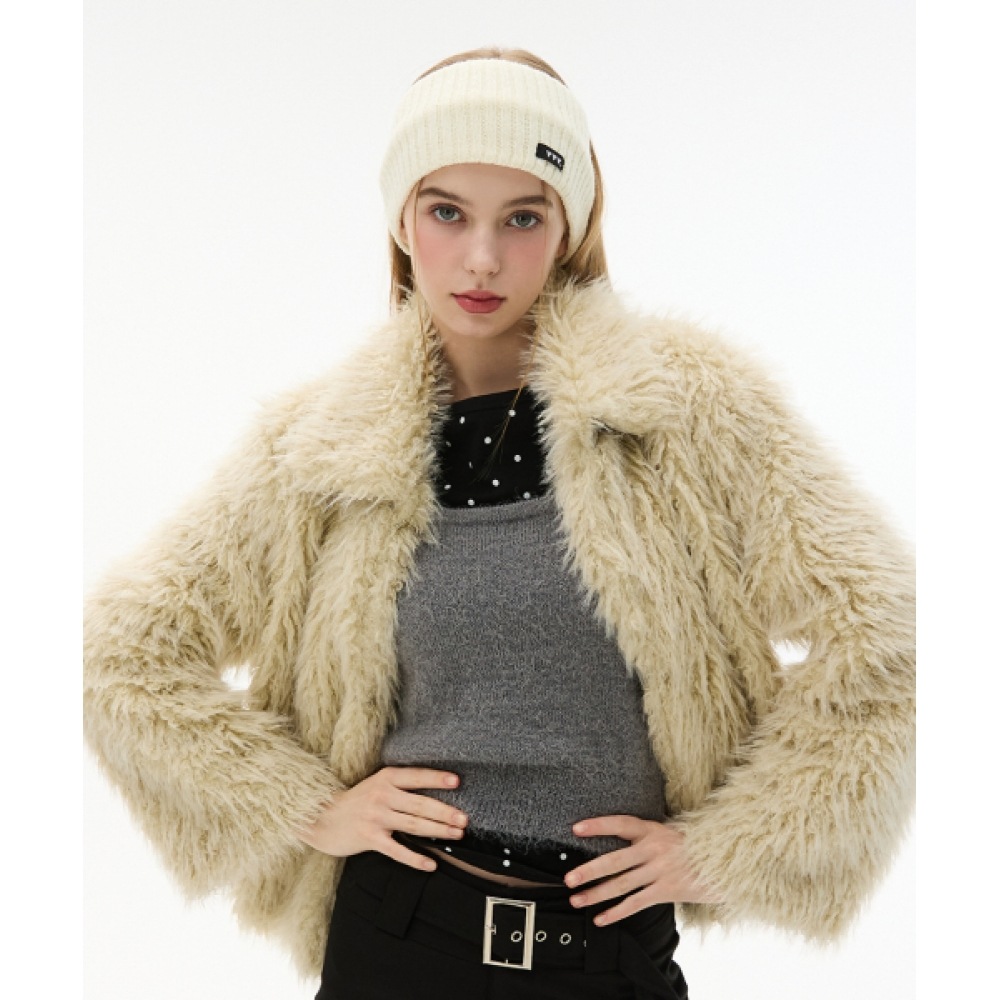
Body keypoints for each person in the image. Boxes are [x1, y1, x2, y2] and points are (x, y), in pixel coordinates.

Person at [83, 47, 915, 999]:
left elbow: (888, 634)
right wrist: (306, 808)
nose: (482, 257)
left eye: (522, 216)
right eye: (448, 212)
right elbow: (123, 657)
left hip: (608, 954)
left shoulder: (685, 409)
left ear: (569, 228)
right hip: (397, 942)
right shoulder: (317, 449)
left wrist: (735, 848)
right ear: (402, 220)